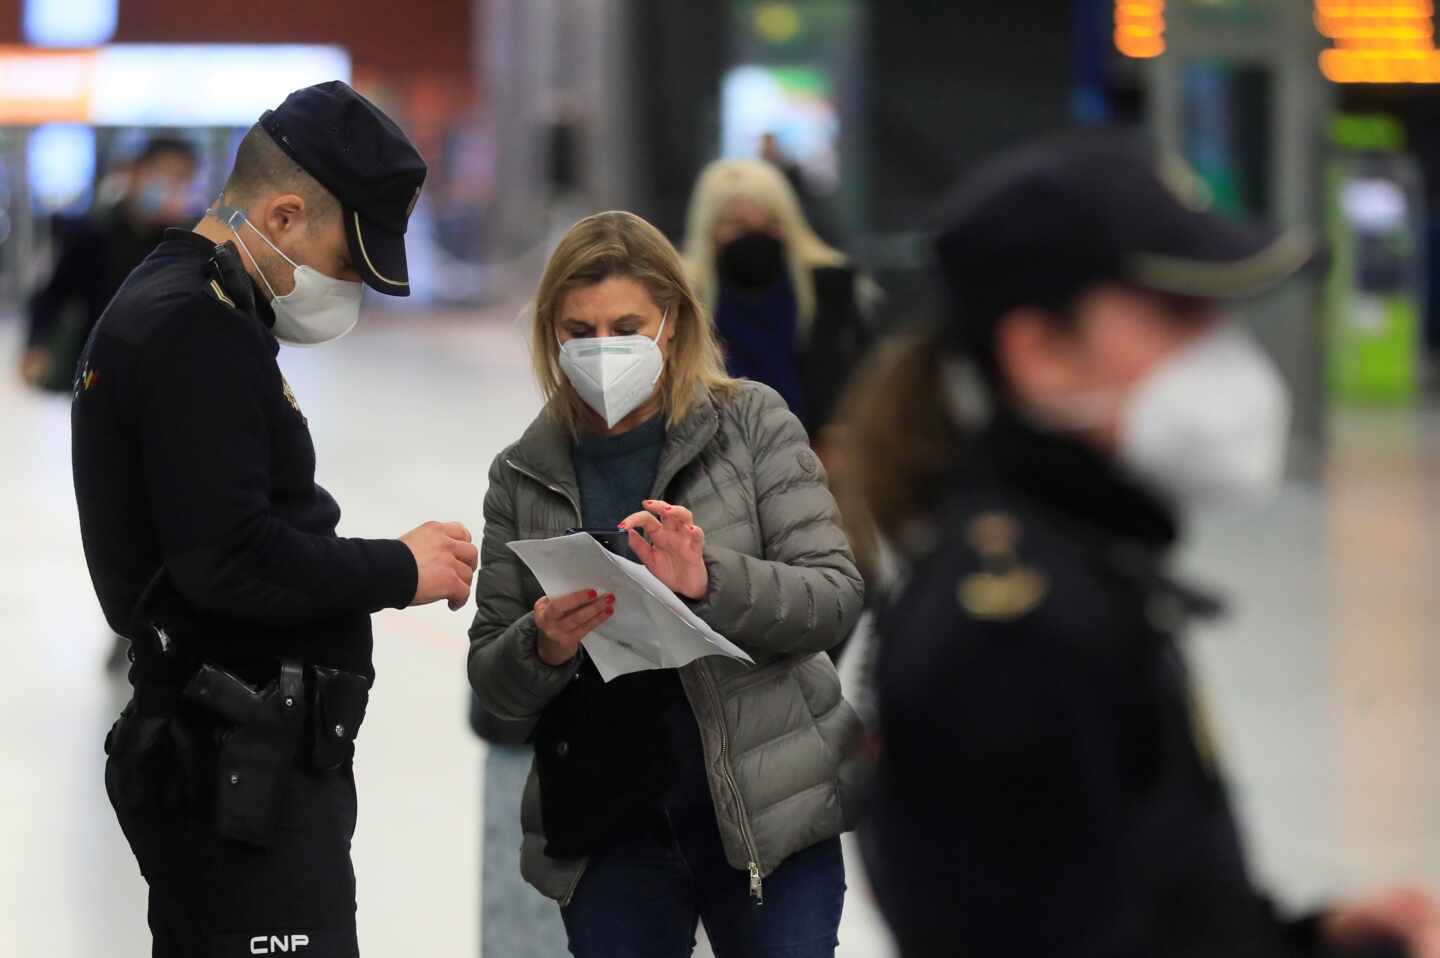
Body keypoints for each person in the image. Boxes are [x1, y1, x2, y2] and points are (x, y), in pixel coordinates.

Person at [849, 130, 1440, 958]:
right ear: (1040, 351)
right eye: (1176, 313)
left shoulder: (1075, 571)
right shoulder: (1019, 640)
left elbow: (1129, 908)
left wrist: (1310, 941)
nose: (1223, 353)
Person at [72, 81, 479, 957]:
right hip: (232, 762)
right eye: (345, 259)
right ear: (285, 217)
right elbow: (228, 558)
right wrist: (397, 569)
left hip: (236, 760)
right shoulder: (194, 328)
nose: (348, 287)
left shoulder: (190, 303)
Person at [467, 210, 865, 957]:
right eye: (577, 331)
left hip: (763, 815)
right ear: (550, 335)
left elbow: (833, 597)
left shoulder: (752, 424)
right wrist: (541, 645)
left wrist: (708, 579)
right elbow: (494, 682)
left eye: (625, 324)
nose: (600, 348)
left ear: (674, 323)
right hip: (611, 825)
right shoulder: (524, 471)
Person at [681, 158, 874, 462]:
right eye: (738, 226)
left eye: (771, 225)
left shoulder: (831, 287)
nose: (756, 238)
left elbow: (863, 375)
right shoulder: (683, 298)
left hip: (818, 457)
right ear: (710, 229)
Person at [21, 136, 198, 392]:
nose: (170, 186)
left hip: (166, 378)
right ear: (136, 173)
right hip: (96, 372)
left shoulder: (188, 243)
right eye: (163, 173)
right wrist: (37, 345)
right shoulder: (94, 234)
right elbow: (52, 295)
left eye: (181, 179)